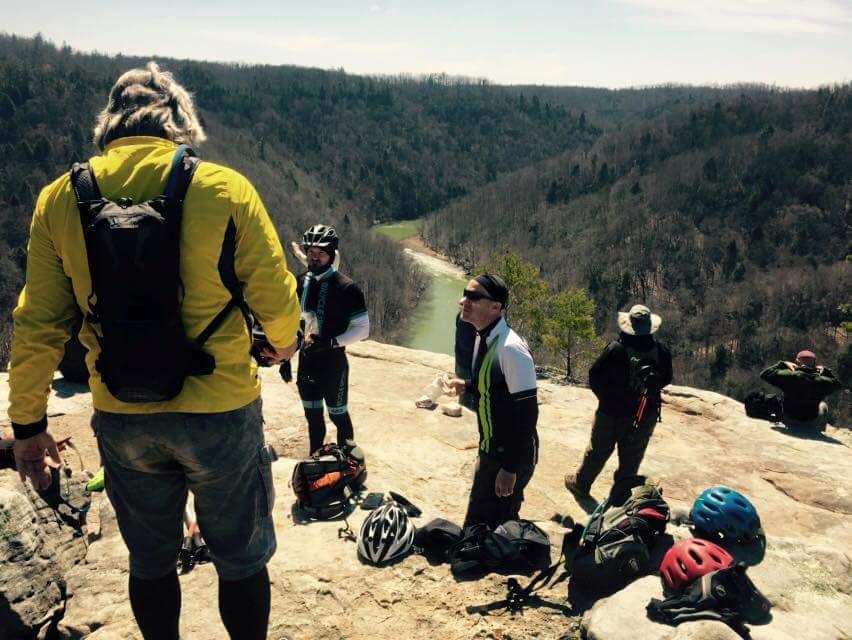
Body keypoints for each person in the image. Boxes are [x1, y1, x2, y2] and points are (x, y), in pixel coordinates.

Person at [8, 62, 300, 640]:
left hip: (122, 410)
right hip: (219, 407)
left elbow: (39, 323)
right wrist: (284, 343)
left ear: (110, 122)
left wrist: (28, 425)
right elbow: (277, 302)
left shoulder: (61, 198)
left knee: (150, 561)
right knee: (240, 558)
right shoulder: (222, 188)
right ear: (177, 119)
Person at [447, 275, 538, 529]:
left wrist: (509, 468)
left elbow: (528, 415)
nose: (464, 301)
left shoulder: (511, 349)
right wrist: (467, 386)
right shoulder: (483, 336)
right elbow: (496, 384)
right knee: (479, 521)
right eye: (465, 293)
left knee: (494, 525)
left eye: (474, 297)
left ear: (496, 307)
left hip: (510, 455)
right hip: (491, 448)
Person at [564, 304, 672, 501]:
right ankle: (618, 498)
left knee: (598, 451)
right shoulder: (661, 351)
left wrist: (606, 399)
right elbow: (666, 378)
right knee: (631, 460)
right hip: (644, 414)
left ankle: (581, 485)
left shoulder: (616, 349)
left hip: (611, 414)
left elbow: (594, 375)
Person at [295, 224, 370, 455]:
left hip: (333, 364)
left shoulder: (347, 287)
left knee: (338, 416)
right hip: (306, 362)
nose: (315, 258)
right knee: (313, 418)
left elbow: (362, 329)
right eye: (311, 253)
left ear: (332, 255)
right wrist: (286, 358)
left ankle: (349, 463)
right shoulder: (301, 282)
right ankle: (315, 464)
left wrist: (330, 343)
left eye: (321, 254)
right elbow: (294, 320)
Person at [760, 350, 845, 431]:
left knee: (774, 398)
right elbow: (838, 384)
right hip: (810, 421)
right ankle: (819, 429)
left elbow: (765, 374)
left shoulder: (788, 376)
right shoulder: (823, 381)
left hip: (789, 419)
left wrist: (783, 364)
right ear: (814, 364)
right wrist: (825, 371)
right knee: (823, 405)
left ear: (797, 363)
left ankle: (776, 420)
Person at [454, 311, 477, 410]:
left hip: (461, 362)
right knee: (466, 396)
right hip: (466, 366)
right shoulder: (470, 320)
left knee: (466, 394)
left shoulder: (461, 315)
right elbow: (467, 345)